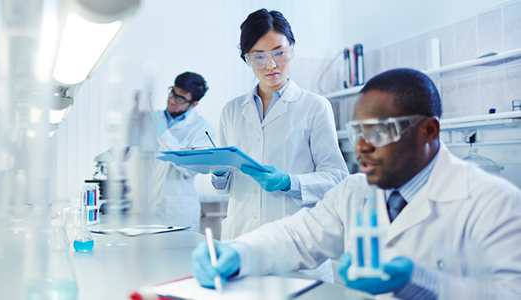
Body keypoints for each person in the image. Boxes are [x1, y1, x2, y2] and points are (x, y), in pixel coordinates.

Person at [192, 68, 521, 299]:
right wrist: (238, 252)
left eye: (378, 131)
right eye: (358, 132)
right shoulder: (355, 192)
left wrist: (420, 282)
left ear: (429, 131)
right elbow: (295, 236)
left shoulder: (494, 202)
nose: (362, 146)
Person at [211, 9, 348, 239]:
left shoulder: (315, 106)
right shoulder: (231, 111)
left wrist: (288, 182)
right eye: (259, 56)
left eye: (279, 53)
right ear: (247, 59)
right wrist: (218, 173)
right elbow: (223, 187)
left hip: (296, 239)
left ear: (292, 49)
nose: (271, 65)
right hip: (241, 237)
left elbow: (336, 177)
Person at [129, 72, 215, 232]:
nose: (172, 100)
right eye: (172, 93)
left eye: (180, 99)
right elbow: (130, 142)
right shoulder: (155, 118)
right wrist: (135, 113)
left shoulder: (203, 130)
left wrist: (161, 131)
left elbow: (189, 169)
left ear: (194, 104)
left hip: (177, 212)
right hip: (145, 207)